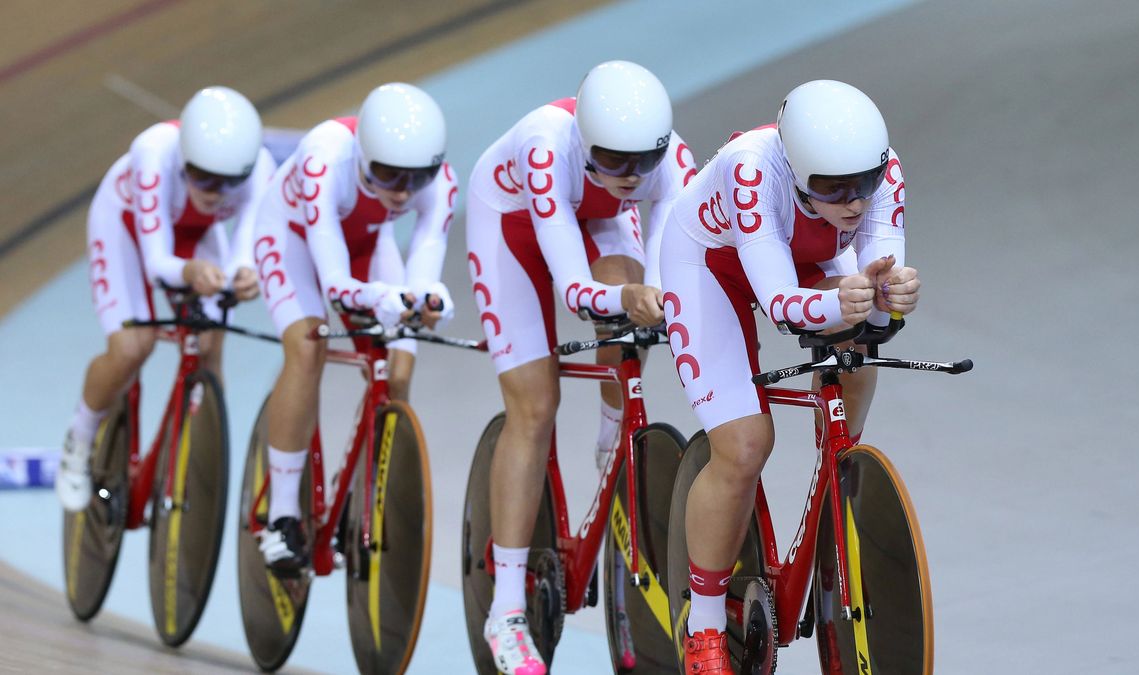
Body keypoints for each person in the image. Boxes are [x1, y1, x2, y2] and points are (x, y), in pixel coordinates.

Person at [658, 80, 921, 672]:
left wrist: (892, 294)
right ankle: (702, 628)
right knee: (746, 446)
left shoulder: (886, 172)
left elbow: (876, 290)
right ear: (798, 170)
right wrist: (851, 301)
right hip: (711, 266)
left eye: (865, 183)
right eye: (832, 187)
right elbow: (780, 303)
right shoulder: (751, 168)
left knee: (856, 345)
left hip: (806, 257)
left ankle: (839, 469)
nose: (854, 202)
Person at [465, 60, 696, 675]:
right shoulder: (547, 147)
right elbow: (572, 286)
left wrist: (653, 298)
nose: (630, 176)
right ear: (585, 144)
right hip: (510, 222)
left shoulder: (671, 161)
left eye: (640, 163)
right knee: (535, 407)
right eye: (613, 162)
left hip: (591, 217)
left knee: (637, 293)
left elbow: (671, 268)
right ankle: (506, 611)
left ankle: (609, 434)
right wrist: (628, 299)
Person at [252, 83, 457, 577]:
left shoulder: (442, 182)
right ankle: (280, 516)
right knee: (307, 344)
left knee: (399, 367)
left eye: (417, 177)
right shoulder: (325, 156)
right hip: (293, 239)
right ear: (363, 155)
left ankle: (357, 501)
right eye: (388, 174)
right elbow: (338, 284)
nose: (404, 191)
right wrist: (388, 300)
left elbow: (422, 277)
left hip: (366, 241)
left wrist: (427, 301)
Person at [57, 86, 273, 512]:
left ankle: (196, 454)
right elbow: (157, 261)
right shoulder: (153, 151)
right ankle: (77, 443)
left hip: (193, 235)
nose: (216, 191)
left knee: (211, 342)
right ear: (184, 156)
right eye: (204, 177)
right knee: (133, 347)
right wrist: (192, 273)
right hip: (126, 229)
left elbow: (246, 248)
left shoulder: (260, 167)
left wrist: (246, 275)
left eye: (230, 181)